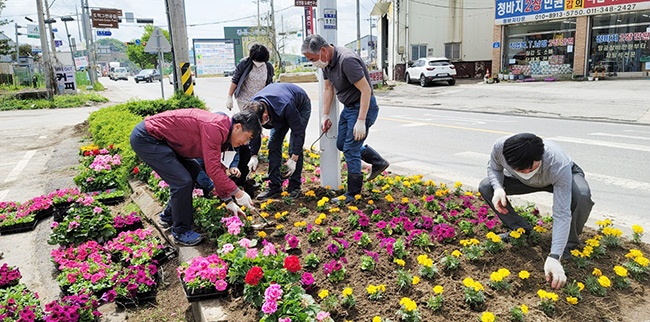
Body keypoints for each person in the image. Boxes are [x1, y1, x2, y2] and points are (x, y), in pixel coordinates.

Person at [478, 133, 594, 290]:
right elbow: (494, 167)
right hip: (521, 182)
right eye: (520, 168)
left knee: (582, 196)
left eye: (531, 167)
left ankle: (568, 245)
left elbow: (562, 213)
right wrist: (498, 188)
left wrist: (554, 255)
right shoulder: (500, 148)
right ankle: (520, 230)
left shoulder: (556, 163)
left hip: (560, 177)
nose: (526, 171)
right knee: (486, 187)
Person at [130, 109, 261, 246]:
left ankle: (168, 216)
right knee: (182, 181)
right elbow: (213, 170)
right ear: (238, 127)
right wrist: (238, 193)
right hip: (148, 138)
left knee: (193, 169)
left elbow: (217, 167)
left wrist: (228, 199)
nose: (246, 143)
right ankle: (180, 231)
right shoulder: (216, 128)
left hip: (165, 141)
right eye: (248, 137)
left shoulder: (224, 131)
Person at [301, 34, 389, 203]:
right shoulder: (325, 63)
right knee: (342, 144)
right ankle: (377, 161)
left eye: (312, 58)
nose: (313, 63)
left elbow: (365, 90)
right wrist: (325, 115)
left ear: (323, 51)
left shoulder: (347, 61)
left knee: (350, 149)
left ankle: (353, 194)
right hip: (349, 108)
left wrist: (361, 120)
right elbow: (328, 89)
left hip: (363, 107)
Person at [241, 83, 311, 200]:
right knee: (273, 144)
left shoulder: (286, 105)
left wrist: (294, 158)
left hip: (299, 105)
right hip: (277, 110)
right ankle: (274, 186)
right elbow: (254, 131)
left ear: (265, 116)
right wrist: (253, 155)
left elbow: (298, 132)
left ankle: (295, 186)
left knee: (294, 145)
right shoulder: (254, 106)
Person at [226, 44, 274, 111]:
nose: (259, 63)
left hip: (260, 99)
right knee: (248, 119)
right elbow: (235, 80)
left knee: (259, 119)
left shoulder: (268, 67)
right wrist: (229, 97)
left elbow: (270, 83)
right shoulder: (244, 63)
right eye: (257, 60)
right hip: (244, 99)